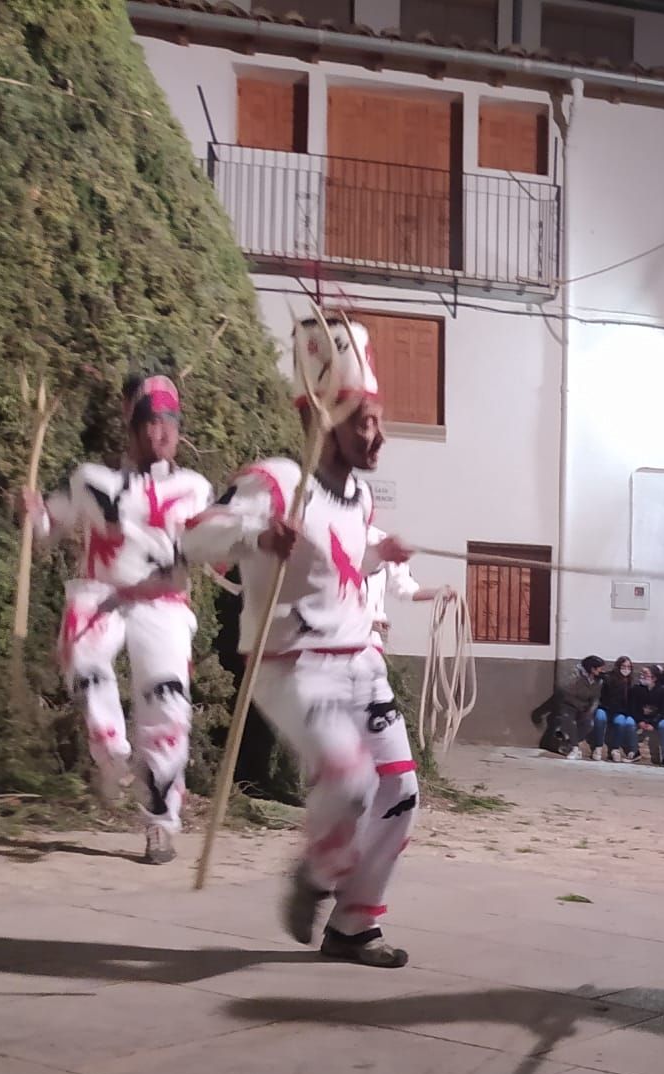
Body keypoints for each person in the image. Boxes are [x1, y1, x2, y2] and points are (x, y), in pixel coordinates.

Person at [185, 316, 418, 966]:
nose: (375, 436)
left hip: (360, 663)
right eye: (360, 423)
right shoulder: (276, 482)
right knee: (348, 781)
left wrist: (381, 555)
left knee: (399, 791)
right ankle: (315, 873)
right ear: (325, 421)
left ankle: (352, 926)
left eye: (376, 420)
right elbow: (194, 534)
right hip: (292, 665)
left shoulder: (362, 498)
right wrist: (257, 538)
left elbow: (343, 557)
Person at [25, 372, 216, 865]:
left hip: (163, 604)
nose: (161, 433)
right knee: (81, 656)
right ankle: (110, 755)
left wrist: (257, 541)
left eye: (169, 424)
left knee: (168, 711)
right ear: (131, 429)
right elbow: (51, 524)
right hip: (100, 594)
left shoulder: (195, 489)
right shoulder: (93, 481)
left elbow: (216, 549)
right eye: (150, 423)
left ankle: (159, 823)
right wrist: (35, 513)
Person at [532, 655, 603, 759]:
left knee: (588, 724)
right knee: (569, 721)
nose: (602, 671)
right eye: (600, 668)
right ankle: (574, 747)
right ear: (592, 668)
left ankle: (569, 744)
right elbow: (565, 690)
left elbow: (595, 698)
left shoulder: (598, 681)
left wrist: (590, 710)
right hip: (568, 704)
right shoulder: (575, 675)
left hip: (583, 707)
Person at [630, 662, 664, 767]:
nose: (642, 677)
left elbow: (663, 710)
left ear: (654, 678)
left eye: (646, 675)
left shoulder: (663, 690)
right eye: (641, 674)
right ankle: (634, 752)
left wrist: (653, 723)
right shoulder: (637, 689)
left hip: (656, 719)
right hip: (641, 718)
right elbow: (633, 707)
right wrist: (640, 720)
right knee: (629, 724)